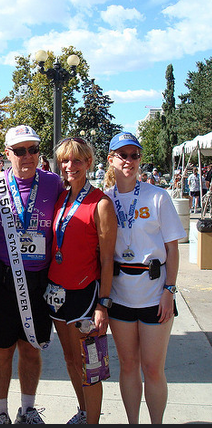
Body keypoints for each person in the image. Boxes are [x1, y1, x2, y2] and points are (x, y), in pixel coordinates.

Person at [0, 125, 64, 424]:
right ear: (7, 154)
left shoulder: (54, 183)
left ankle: (27, 409)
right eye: (19, 150)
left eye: (32, 149)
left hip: (38, 282)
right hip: (1, 282)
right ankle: (0, 413)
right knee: (1, 352)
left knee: (31, 350)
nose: (27, 156)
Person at [104, 132, 186, 424]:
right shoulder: (105, 201)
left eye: (134, 155)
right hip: (120, 294)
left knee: (153, 368)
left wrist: (170, 290)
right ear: (111, 159)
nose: (129, 161)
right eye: (122, 155)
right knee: (128, 365)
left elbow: (172, 248)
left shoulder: (157, 196)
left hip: (154, 293)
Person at [45, 137, 117, 424]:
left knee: (91, 366)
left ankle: (93, 422)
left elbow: (108, 260)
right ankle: (84, 412)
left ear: (88, 163)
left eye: (76, 160)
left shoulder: (101, 203)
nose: (70, 166)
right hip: (57, 292)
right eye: (65, 160)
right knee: (71, 361)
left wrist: (103, 305)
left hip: (85, 296)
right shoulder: (61, 198)